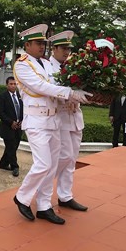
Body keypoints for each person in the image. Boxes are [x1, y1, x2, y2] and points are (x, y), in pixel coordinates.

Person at [12, 24, 89, 225]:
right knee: (44, 163)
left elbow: (58, 85)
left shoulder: (45, 64)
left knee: (52, 165)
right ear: (27, 44)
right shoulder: (22, 65)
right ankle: (22, 197)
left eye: (44, 43)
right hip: (36, 121)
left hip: (53, 120)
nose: (42, 47)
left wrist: (77, 93)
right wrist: (70, 93)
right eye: (38, 43)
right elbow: (41, 86)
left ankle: (44, 206)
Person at [48, 30, 89, 212]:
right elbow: (52, 91)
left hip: (75, 117)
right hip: (61, 116)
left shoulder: (73, 66)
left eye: (68, 48)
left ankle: (65, 195)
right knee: (63, 156)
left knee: (71, 159)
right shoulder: (47, 67)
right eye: (63, 48)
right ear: (54, 48)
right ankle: (41, 183)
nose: (66, 52)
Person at [0, 76, 23, 177]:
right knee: (11, 147)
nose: (13, 86)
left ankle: (3, 164)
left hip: (19, 127)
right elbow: (0, 112)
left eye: (15, 84)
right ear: (7, 85)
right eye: (11, 84)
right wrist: (11, 122)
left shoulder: (20, 96)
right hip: (8, 127)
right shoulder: (2, 96)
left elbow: (23, 110)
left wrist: (21, 121)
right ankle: (15, 166)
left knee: (13, 147)